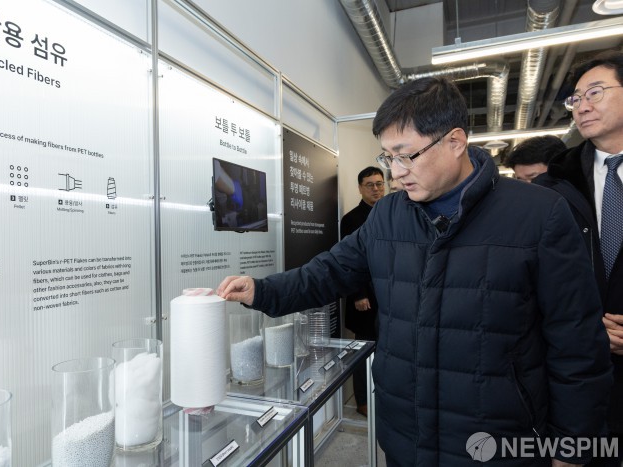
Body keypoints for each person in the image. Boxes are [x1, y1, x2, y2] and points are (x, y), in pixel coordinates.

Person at [218, 76, 613, 466]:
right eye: (387, 157)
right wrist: (262, 290)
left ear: (455, 142)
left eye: (406, 155)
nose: (396, 172)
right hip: (405, 434)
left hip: (496, 439)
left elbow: (576, 338)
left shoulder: (539, 213)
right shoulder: (388, 215)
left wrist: (572, 445)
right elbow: (330, 271)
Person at [533, 50, 623, 467]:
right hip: (577, 376)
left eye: (595, 93)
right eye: (575, 99)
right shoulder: (553, 188)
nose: (581, 106)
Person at [340, 166, 384, 417]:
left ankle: (382, 398)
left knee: (384, 351)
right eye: (370, 185)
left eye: (379, 183)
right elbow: (349, 261)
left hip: (386, 295)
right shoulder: (352, 219)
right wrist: (358, 294)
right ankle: (363, 401)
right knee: (364, 351)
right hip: (364, 298)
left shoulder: (389, 213)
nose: (376, 189)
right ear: (360, 188)